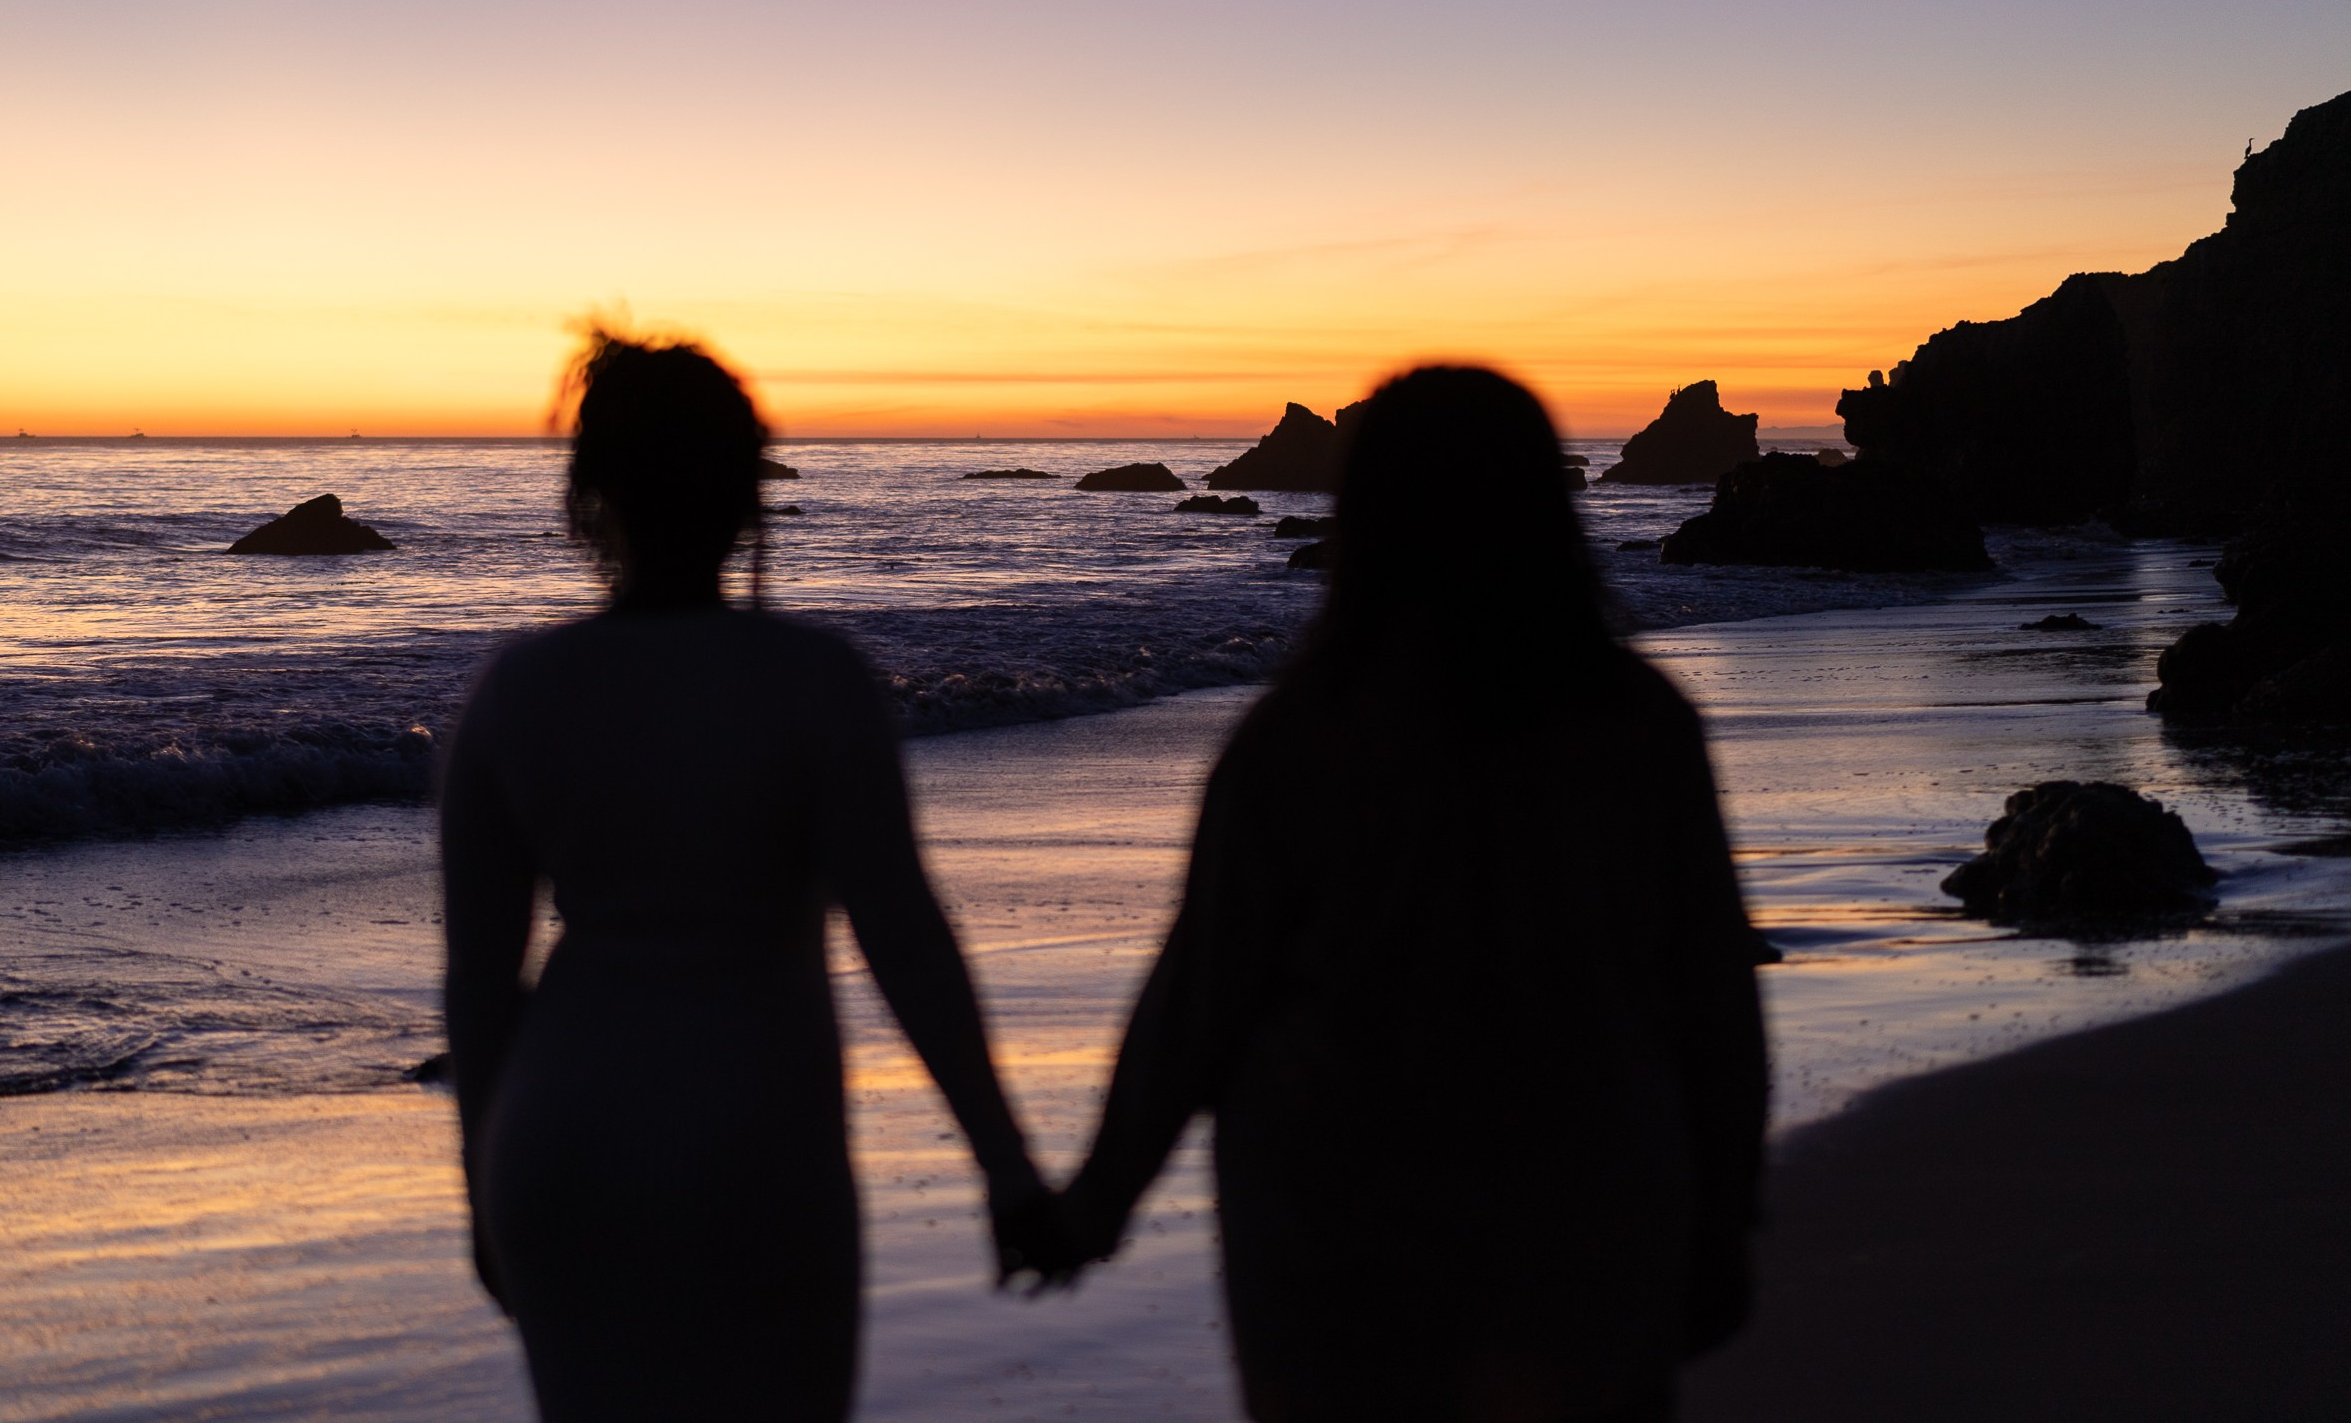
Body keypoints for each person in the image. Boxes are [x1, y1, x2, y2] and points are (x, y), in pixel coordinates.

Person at [1062, 366, 1770, 1423]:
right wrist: (1724, 1216)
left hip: (1335, 1214)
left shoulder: (1300, 737)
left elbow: (1199, 997)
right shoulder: (1637, 724)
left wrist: (1097, 1200)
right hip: (1586, 1193)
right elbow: (1712, 991)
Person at [440, 335, 1069, 1422]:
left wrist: (483, 1191)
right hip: (752, 1136)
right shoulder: (811, 683)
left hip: (562, 1140)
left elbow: (480, 988)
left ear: (592, 496)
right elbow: (904, 941)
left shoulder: (519, 690)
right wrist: (1004, 1166)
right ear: (747, 491)